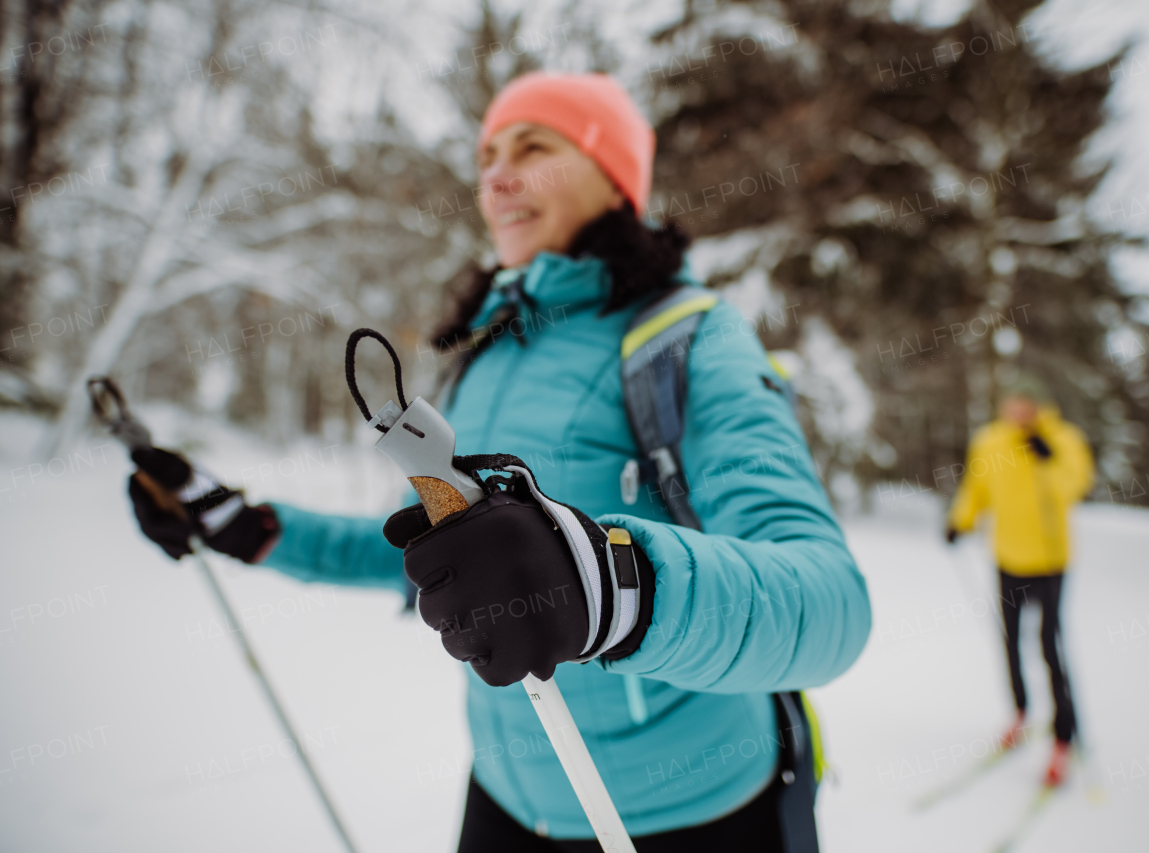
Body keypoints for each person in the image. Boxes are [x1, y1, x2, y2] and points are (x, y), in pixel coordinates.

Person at [127, 72, 872, 851]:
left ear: (615, 177)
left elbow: (830, 603)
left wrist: (612, 584)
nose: (496, 176)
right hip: (508, 800)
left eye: (534, 145)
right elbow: (450, 559)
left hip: (691, 808)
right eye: (486, 155)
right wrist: (248, 526)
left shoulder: (690, 337)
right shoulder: (485, 352)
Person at [945, 379, 1094, 787]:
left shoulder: (1063, 439)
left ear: (1039, 404)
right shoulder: (990, 441)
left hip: (1050, 561)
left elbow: (1075, 486)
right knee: (1009, 640)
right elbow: (976, 489)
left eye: (1026, 403)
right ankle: (1021, 713)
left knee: (1049, 643)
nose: (1018, 410)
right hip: (1008, 558)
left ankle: (1065, 733)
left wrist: (1046, 457)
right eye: (1013, 403)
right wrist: (960, 521)